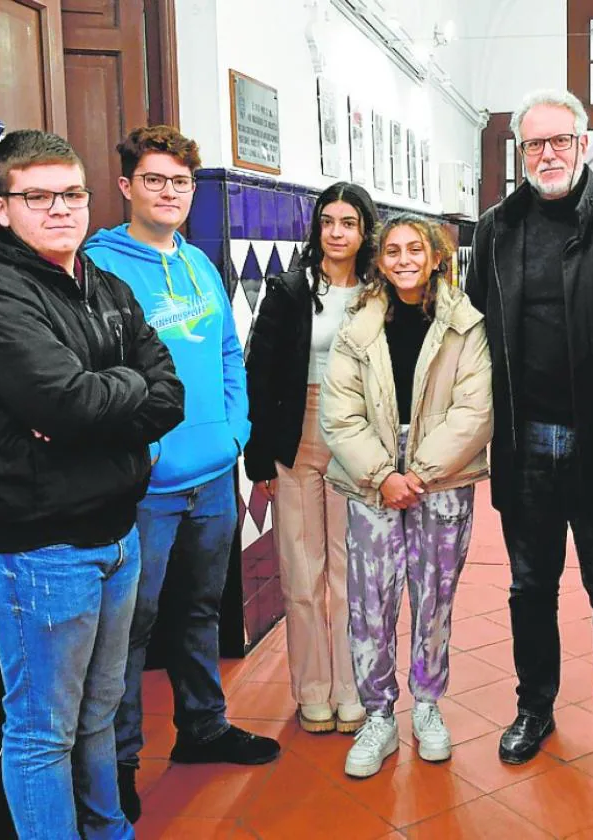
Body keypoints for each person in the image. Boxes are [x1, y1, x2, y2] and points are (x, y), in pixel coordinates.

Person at [0, 129, 184, 839]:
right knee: (42, 732)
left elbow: (168, 395)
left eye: (73, 194)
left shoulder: (105, 286)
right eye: (38, 196)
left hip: (116, 533)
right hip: (36, 548)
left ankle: (111, 831)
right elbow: (66, 402)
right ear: (1, 206)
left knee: (101, 710)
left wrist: (99, 396)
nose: (60, 210)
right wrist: (115, 393)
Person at [465, 88, 593, 780]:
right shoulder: (496, 228)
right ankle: (534, 706)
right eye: (534, 144)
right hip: (525, 444)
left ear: (584, 143)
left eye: (559, 141)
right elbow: (471, 329)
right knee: (529, 589)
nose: (547, 154)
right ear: (521, 152)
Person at [85, 125, 280, 823]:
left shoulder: (198, 263)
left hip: (213, 478)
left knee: (199, 612)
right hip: (145, 488)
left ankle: (203, 727)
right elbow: (96, 375)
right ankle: (123, 760)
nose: (170, 193)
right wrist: (149, 453)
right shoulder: (100, 267)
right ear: (127, 186)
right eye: (157, 179)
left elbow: (230, 352)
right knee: (129, 630)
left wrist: (235, 431)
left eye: (182, 182)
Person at [320, 214, 493, 779]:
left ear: (437, 256)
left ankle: (426, 705)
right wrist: (381, 475)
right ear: (379, 260)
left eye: (414, 249)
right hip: (372, 482)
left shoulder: (465, 324)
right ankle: (378, 717)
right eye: (391, 250)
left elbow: (474, 411)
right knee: (370, 601)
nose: (402, 259)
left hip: (440, 481)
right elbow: (339, 414)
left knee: (434, 596)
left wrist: (416, 472)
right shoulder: (357, 325)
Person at [243, 182, 378, 735]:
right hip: (297, 433)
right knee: (302, 573)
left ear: (365, 230)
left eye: (349, 222)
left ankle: (352, 689)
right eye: (329, 222)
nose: (338, 232)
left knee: (352, 576)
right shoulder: (290, 289)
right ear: (317, 228)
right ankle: (312, 691)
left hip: (357, 436)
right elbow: (260, 373)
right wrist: (258, 459)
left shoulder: (379, 291)